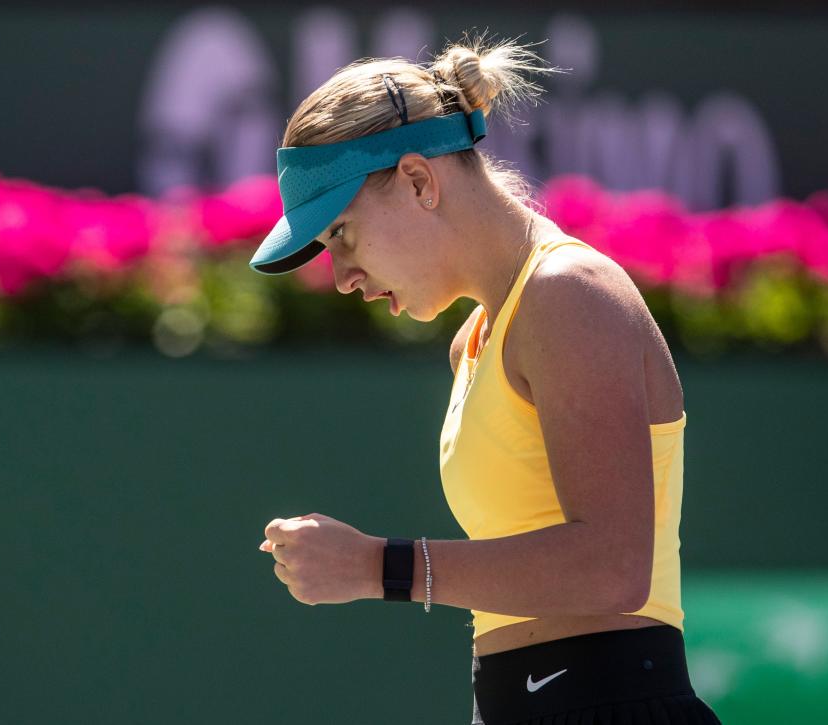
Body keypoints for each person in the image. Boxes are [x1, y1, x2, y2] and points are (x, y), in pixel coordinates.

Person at [255, 31, 722, 725]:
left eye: (342, 234)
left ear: (418, 180)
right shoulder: (472, 341)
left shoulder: (568, 291)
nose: (344, 278)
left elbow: (612, 568)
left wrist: (374, 567)